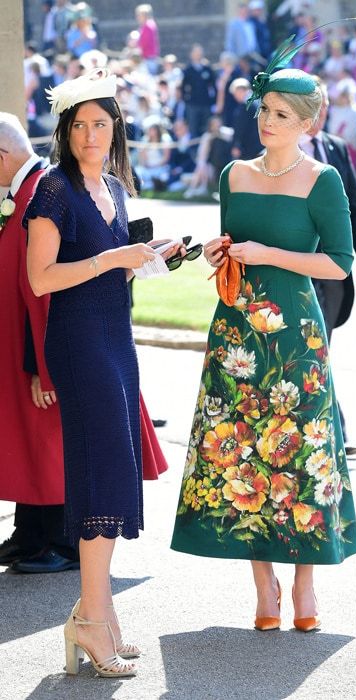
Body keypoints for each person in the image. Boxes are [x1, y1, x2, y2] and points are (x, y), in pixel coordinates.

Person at [171, 58, 356, 631]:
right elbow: (234, 243)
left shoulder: (321, 180)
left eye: (281, 114)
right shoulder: (233, 173)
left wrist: (270, 254)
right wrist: (220, 251)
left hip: (298, 336)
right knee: (242, 450)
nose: (267, 121)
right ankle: (263, 585)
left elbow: (339, 261)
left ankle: (305, 582)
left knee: (301, 453)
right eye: (263, 110)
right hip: (236, 330)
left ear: (307, 123)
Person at [24, 69, 181, 678]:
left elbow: (111, 269)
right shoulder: (53, 191)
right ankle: (92, 621)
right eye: (79, 125)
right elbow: (41, 279)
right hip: (78, 341)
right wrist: (111, 257)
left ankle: (99, 614)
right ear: (65, 131)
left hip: (116, 335)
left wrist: (148, 257)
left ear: (116, 128)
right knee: (100, 467)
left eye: (101, 123)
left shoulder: (113, 184)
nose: (91, 133)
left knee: (114, 466)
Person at [0, 112, 79, 574]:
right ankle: (29, 535)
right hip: (21, 346)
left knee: (51, 444)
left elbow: (46, 292)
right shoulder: (22, 193)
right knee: (29, 443)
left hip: (43, 349)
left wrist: (43, 367)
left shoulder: (41, 195)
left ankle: (63, 543)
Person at [300, 78, 356, 454]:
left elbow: (354, 205)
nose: (320, 116)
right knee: (314, 348)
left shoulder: (335, 148)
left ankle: (329, 430)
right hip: (298, 267)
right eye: (314, 108)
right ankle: (332, 432)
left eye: (324, 108)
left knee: (320, 347)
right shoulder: (279, 151)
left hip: (335, 269)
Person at [230, 77, 262, 160]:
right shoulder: (258, 101)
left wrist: (236, 145)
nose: (235, 97)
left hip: (249, 147)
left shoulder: (245, 105)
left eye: (235, 93)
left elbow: (240, 127)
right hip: (260, 144)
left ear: (240, 90)